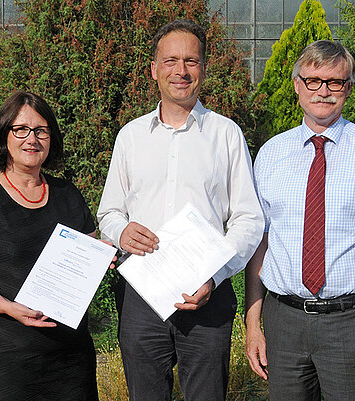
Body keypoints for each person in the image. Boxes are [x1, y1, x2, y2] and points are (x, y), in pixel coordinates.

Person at [96, 19, 264, 401]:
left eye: (191, 61)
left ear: (203, 69)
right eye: (171, 60)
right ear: (154, 69)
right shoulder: (131, 136)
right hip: (141, 294)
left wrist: (215, 274)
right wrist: (120, 232)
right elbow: (109, 212)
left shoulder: (226, 135)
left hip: (207, 295)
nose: (181, 71)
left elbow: (248, 218)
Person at [244, 40, 355, 400]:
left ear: (348, 89)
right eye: (314, 80)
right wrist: (253, 323)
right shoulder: (271, 153)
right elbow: (261, 241)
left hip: (351, 323)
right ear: (297, 84)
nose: (323, 91)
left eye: (335, 82)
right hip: (283, 321)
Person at [0, 91, 104, 400]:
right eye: (21, 130)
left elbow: (85, 262)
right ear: (5, 135)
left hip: (69, 361)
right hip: (2, 361)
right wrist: (9, 307)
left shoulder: (68, 195)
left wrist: (100, 258)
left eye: (41, 131)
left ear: (51, 138)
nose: (32, 139)